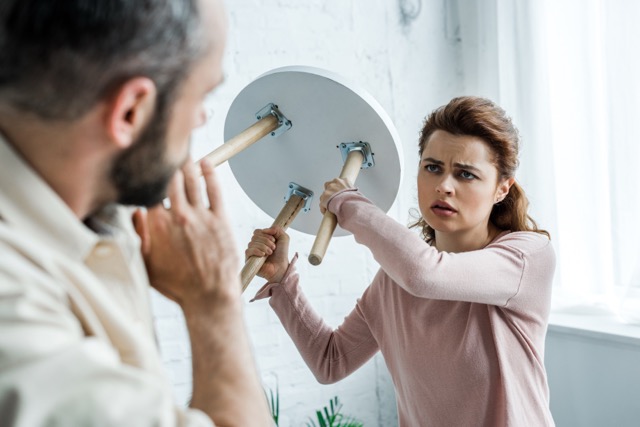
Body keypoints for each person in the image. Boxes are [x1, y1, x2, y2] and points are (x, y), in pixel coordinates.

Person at [0, 0, 272, 426]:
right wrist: (214, 303)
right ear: (130, 111)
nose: (201, 118)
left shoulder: (99, 205)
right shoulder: (15, 314)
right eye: (201, 95)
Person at [247, 96, 556, 426]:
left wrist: (347, 203)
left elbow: (425, 274)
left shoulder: (526, 257)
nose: (443, 186)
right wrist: (282, 281)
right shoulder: (394, 281)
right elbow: (330, 361)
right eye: (432, 168)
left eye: (465, 174)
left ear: (501, 189)